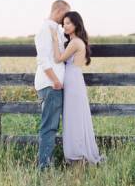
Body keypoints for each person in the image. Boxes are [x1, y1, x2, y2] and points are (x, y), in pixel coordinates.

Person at [49, 11, 105, 166]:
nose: (65, 26)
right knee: (74, 116)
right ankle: (77, 152)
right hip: (74, 79)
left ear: (76, 24)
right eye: (64, 23)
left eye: (68, 23)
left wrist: (54, 39)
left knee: (73, 117)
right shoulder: (76, 41)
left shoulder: (75, 42)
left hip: (72, 81)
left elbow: (58, 58)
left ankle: (77, 153)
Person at [34, 0, 71, 170]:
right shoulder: (45, 29)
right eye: (65, 14)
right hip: (51, 85)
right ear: (57, 11)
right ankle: (44, 167)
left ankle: (46, 163)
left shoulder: (56, 29)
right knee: (49, 126)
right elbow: (43, 59)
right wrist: (55, 80)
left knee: (52, 125)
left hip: (54, 84)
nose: (66, 19)